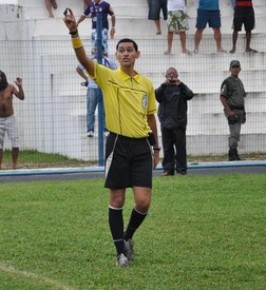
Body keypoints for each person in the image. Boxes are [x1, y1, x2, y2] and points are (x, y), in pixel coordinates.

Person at [64, 8, 160, 267]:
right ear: (116, 55)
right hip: (117, 144)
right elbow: (84, 60)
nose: (126, 53)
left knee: (143, 201)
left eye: (130, 49)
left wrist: (156, 147)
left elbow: (151, 117)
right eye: (122, 50)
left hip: (141, 146)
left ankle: (128, 238)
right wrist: (74, 31)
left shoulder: (146, 84)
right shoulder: (108, 77)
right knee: (117, 199)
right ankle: (120, 253)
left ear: (137, 54)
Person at [155, 67, 193, 176]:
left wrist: (180, 84)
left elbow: (190, 95)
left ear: (177, 75)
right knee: (167, 148)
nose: (171, 76)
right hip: (166, 123)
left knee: (180, 148)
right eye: (169, 74)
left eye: (173, 74)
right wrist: (164, 84)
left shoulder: (181, 88)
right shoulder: (163, 89)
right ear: (165, 76)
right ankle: (168, 170)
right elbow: (156, 95)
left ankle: (181, 170)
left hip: (179, 124)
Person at [76, 46, 117, 137]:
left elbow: (116, 72)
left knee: (104, 110)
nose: (96, 51)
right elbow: (78, 69)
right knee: (90, 110)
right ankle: (90, 130)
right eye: (94, 50)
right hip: (92, 87)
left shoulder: (108, 61)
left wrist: (109, 81)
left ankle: (105, 129)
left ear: (102, 51)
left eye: (98, 49)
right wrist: (86, 78)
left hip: (104, 88)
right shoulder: (89, 61)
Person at [220, 60, 246, 161]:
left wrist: (244, 113)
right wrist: (229, 111)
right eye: (233, 67)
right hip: (232, 110)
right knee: (234, 133)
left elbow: (241, 98)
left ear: (240, 69)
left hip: (240, 111)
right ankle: (232, 154)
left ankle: (234, 152)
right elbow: (222, 97)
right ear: (230, 69)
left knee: (237, 133)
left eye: (237, 67)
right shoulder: (228, 82)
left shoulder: (240, 82)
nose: (235, 69)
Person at [0, 71, 25, 170]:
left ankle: (15, 164)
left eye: (0, 76)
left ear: (3, 77)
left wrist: (20, 86)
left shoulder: (10, 87)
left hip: (10, 118)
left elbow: (21, 97)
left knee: (15, 142)